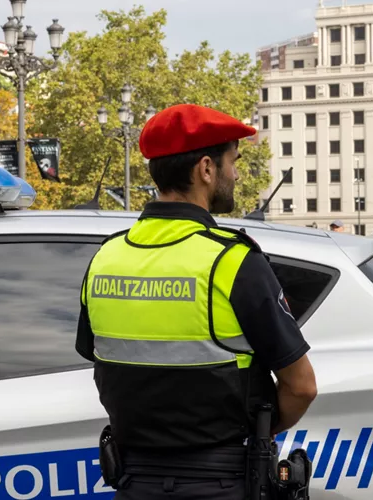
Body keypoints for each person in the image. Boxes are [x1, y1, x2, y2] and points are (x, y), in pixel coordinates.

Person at [75, 104, 318, 500]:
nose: (235, 175)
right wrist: (259, 430)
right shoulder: (232, 260)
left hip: (135, 483)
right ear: (206, 169)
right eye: (232, 162)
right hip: (221, 482)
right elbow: (302, 387)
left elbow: (104, 359)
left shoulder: (106, 257)